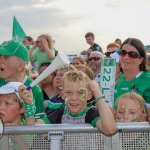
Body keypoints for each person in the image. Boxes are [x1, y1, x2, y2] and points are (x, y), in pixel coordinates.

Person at [19, 70, 117, 136]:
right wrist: (28, 104)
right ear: (62, 95)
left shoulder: (91, 113)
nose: (74, 98)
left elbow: (110, 130)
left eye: (80, 93)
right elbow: (32, 128)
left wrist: (97, 92)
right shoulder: (60, 113)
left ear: (89, 95)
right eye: (69, 93)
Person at [0, 40, 45, 120]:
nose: (0, 60)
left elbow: (40, 122)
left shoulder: (35, 90)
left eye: (5, 57)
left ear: (20, 65)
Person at [114, 38, 150, 119]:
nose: (126, 57)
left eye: (132, 54)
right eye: (123, 52)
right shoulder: (116, 78)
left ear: (141, 59)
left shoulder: (148, 80)